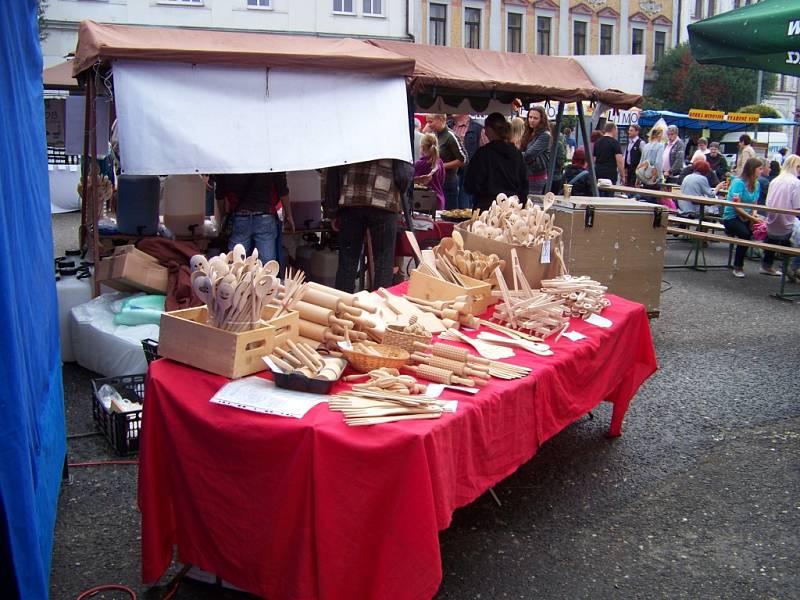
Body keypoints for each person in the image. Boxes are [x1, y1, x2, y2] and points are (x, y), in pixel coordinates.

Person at [331, 159, 412, 292]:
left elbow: (334, 169)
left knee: (348, 262)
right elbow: (403, 175)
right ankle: (380, 308)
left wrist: (332, 209)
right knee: (383, 263)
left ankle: (342, 307)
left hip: (352, 199)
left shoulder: (351, 137)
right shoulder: (394, 137)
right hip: (384, 199)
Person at [213, 172, 293, 263]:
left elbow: (220, 193)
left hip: (240, 217)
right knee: (267, 267)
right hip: (265, 216)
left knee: (236, 265)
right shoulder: (270, 158)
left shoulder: (227, 160)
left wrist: (223, 217)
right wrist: (289, 215)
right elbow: (282, 189)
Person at [463, 113, 529, 211]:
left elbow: (471, 184)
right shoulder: (517, 154)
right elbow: (524, 184)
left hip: (486, 208)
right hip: (512, 208)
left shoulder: (483, 154)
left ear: (489, 129)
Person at [723, 157, 764, 278]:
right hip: (732, 216)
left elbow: (754, 203)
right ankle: (738, 266)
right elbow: (736, 206)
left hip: (747, 216)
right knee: (745, 235)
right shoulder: (738, 183)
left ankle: (767, 264)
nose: (761, 171)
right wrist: (753, 219)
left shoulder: (757, 184)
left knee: (764, 229)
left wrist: (754, 214)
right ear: (752, 169)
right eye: (760, 169)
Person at [761, 154, 800, 277]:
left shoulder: (775, 180)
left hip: (772, 223)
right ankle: (793, 268)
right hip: (787, 224)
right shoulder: (796, 182)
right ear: (797, 167)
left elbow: (768, 202)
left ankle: (767, 264)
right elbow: (797, 206)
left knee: (775, 238)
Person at [425, 114, 467, 210]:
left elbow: (464, 159)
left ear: (441, 119)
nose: (429, 125)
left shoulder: (450, 136)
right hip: (436, 183)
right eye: (427, 122)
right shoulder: (435, 135)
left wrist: (441, 166)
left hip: (448, 184)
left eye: (431, 122)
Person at [450, 114, 488, 209]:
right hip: (449, 175)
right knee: (449, 208)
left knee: (465, 208)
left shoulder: (478, 129)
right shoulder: (448, 126)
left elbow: (487, 152)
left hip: (469, 176)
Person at [521, 106, 552, 194]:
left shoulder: (545, 135)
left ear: (542, 120)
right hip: (526, 174)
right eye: (530, 117)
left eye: (535, 118)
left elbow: (529, 154)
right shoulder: (529, 132)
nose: (532, 120)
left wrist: (514, 154)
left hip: (536, 177)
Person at [413, 133, 446, 210]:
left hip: (423, 201)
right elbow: (442, 181)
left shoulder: (420, 164)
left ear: (422, 147)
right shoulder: (439, 162)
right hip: (439, 199)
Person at [594, 122, 624, 191]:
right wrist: (622, 176)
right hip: (610, 173)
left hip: (598, 171)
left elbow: (594, 159)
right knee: (609, 194)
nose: (616, 133)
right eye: (616, 130)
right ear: (613, 129)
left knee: (599, 193)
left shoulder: (598, 142)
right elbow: (619, 161)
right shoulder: (615, 143)